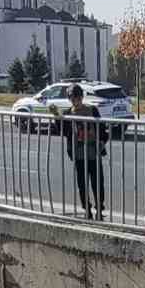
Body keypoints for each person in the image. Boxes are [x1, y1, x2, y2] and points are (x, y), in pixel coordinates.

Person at [61, 83, 106, 220]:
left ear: (82, 97)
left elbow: (103, 130)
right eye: (73, 99)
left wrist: (102, 142)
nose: (76, 101)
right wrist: (58, 119)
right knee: (82, 183)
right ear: (69, 99)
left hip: (93, 152)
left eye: (78, 98)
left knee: (97, 182)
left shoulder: (92, 110)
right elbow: (64, 132)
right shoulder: (67, 114)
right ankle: (87, 209)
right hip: (79, 153)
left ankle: (99, 208)